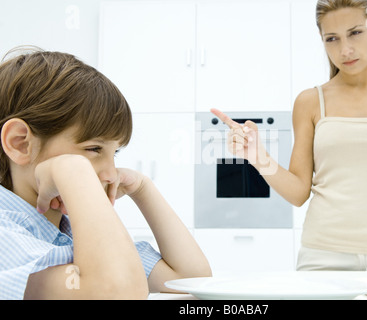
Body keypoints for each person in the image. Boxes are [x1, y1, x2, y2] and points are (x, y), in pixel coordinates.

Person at [211, 0, 367, 271]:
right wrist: (257, 156)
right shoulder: (311, 102)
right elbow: (299, 192)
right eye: (332, 39)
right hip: (323, 257)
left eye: (355, 32)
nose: (345, 49)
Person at [0, 48, 211, 299]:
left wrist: (143, 188)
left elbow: (192, 281)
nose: (111, 173)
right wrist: (72, 170)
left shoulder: (73, 235)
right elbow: (116, 293)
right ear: (20, 143)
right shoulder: (6, 235)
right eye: (94, 148)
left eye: (116, 153)